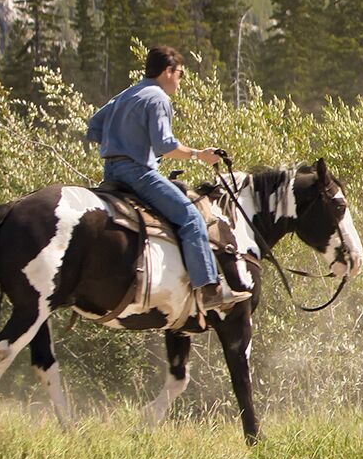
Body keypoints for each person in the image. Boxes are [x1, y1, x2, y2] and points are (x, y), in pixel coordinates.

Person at [85, 45, 245, 320]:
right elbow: (165, 145)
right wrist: (199, 155)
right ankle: (210, 290)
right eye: (180, 74)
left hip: (111, 173)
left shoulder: (126, 94)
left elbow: (94, 128)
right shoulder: (158, 98)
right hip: (138, 173)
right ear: (167, 71)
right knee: (191, 218)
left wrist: (120, 141)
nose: (180, 80)